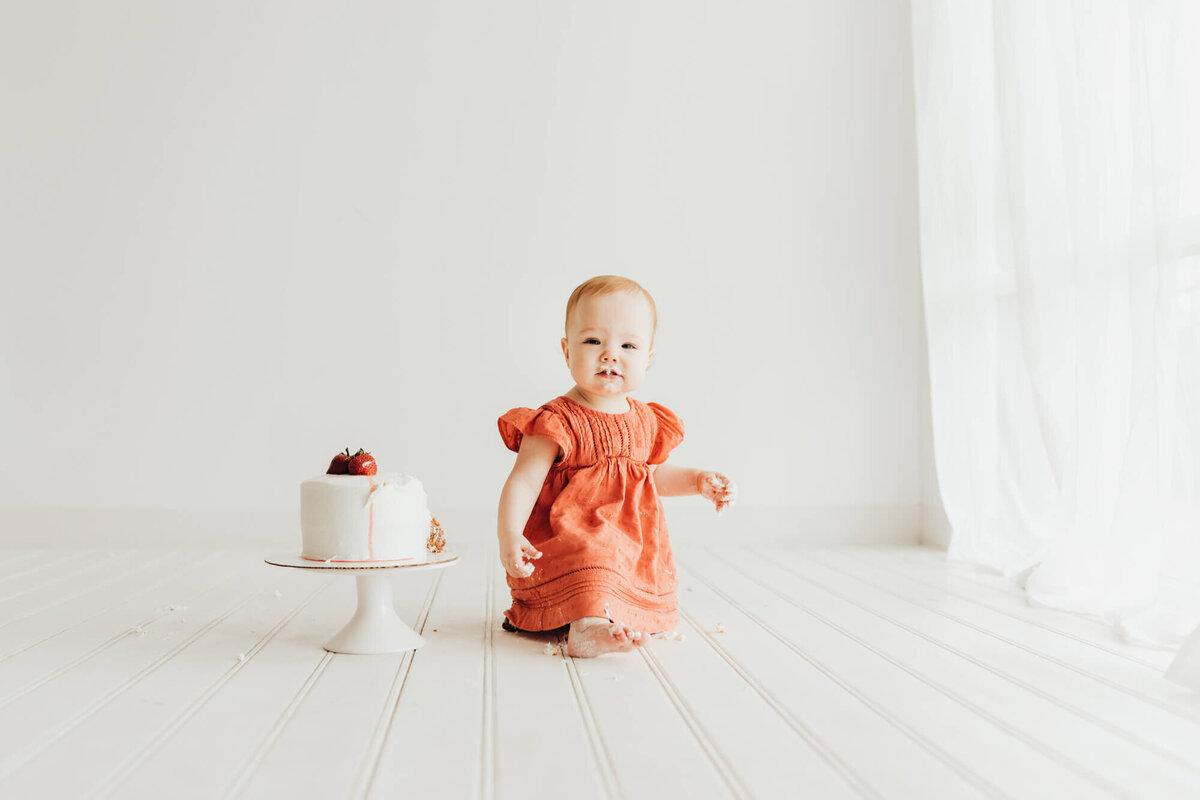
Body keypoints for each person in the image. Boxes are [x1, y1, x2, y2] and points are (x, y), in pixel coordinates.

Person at [496, 275, 736, 657]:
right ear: (566, 350)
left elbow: (653, 477)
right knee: (595, 558)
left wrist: (697, 480)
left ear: (648, 358)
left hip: (630, 545)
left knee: (623, 573)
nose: (610, 354)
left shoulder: (646, 421)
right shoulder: (555, 421)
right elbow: (524, 482)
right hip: (573, 540)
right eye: (593, 341)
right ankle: (587, 629)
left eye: (628, 345)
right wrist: (509, 534)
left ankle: (618, 617)